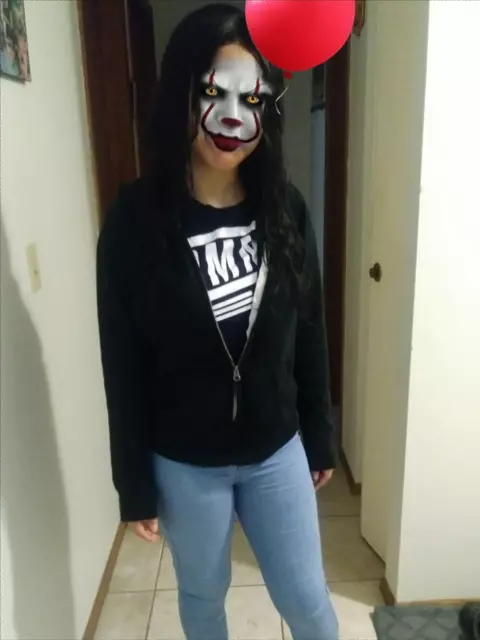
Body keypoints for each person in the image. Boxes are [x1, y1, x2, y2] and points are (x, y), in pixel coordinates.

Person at [97, 4, 339, 639]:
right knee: (203, 598)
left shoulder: (285, 207)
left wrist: (319, 431)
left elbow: (309, 328)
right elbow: (121, 363)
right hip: (184, 461)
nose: (234, 117)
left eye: (252, 99)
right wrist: (133, 483)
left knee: (307, 600)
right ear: (182, 93)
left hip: (275, 450)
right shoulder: (134, 221)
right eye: (214, 92)